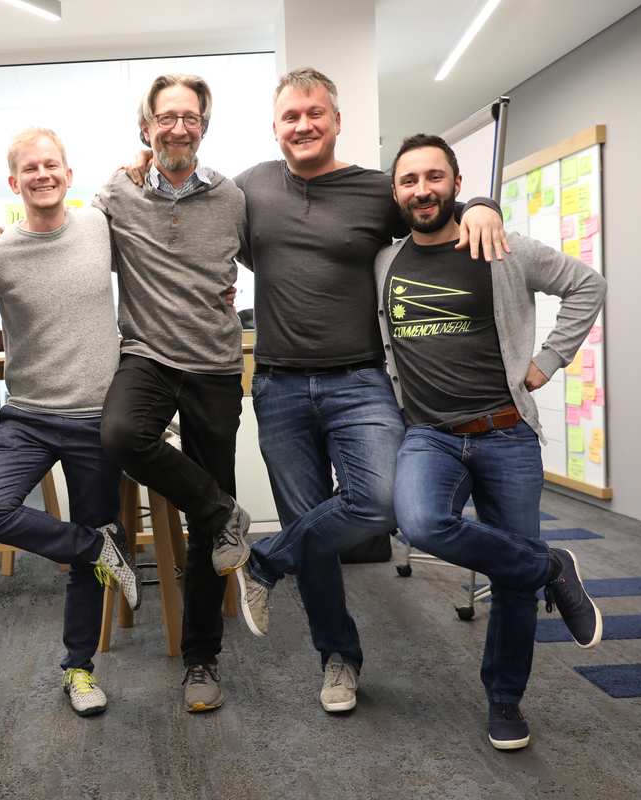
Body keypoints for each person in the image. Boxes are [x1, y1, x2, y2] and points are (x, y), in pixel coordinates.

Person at [230, 68, 506, 714]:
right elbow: (199, 224)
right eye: (291, 116)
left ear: (336, 118)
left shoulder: (375, 190)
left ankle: (265, 561)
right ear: (276, 126)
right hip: (276, 385)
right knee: (313, 530)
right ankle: (339, 658)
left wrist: (485, 206)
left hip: (360, 380)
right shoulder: (251, 188)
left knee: (382, 504)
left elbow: (433, 207)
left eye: (315, 113)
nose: (303, 125)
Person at [379, 133, 605, 750]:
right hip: (429, 434)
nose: (422, 189)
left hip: (505, 433)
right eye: (408, 180)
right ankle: (550, 565)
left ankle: (505, 700)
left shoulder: (499, 245)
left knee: (508, 584)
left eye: (433, 177)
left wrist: (547, 362)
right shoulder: (385, 262)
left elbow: (588, 286)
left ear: (455, 182)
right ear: (396, 192)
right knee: (421, 524)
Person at [0, 128, 141, 717]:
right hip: (28, 417)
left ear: (67, 173)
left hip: (95, 418)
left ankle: (78, 670)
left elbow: (145, 210)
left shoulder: (97, 227)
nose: (42, 174)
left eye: (52, 165)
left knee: (90, 544)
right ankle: (96, 547)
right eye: (29, 168)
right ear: (14, 183)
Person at [96, 73, 249, 712]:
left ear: (204, 127)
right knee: (121, 435)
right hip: (149, 357)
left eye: (190, 117)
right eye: (167, 118)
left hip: (215, 362)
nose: (178, 127)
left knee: (205, 532)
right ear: (147, 128)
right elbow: (60, 249)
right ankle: (222, 510)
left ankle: (201, 658)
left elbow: (286, 257)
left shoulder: (235, 199)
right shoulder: (117, 194)